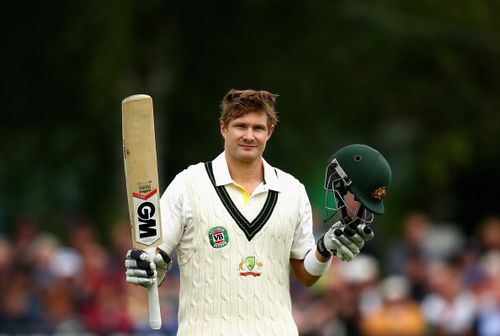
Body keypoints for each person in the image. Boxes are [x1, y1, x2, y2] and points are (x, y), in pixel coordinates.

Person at [124, 88, 392, 335]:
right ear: (223, 129)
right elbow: (155, 254)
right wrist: (146, 266)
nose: (249, 135)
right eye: (240, 126)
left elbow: (306, 275)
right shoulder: (189, 184)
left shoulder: (292, 190)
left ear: (270, 131)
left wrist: (324, 248)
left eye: (258, 128)